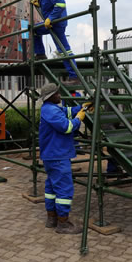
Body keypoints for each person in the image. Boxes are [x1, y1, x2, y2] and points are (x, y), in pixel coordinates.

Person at [38, 82, 92, 234]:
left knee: (51, 187)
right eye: (58, 94)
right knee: (64, 190)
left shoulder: (51, 108)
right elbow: (67, 127)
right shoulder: (51, 111)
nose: (60, 96)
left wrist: (82, 108)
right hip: (58, 155)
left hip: (52, 155)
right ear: (51, 96)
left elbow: (67, 111)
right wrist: (79, 119)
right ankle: (63, 224)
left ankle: (52, 218)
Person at [31, 0, 79, 85]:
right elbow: (50, 5)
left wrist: (51, 18)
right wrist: (40, 4)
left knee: (64, 50)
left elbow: (61, 4)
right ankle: (41, 54)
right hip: (50, 23)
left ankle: (74, 77)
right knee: (35, 30)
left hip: (57, 23)